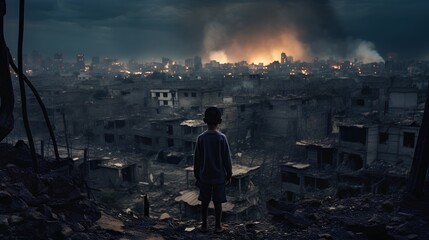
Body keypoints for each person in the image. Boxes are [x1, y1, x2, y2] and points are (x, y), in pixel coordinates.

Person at [193, 106, 232, 233]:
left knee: (204, 201)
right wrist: (229, 173)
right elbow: (227, 158)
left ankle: (204, 225)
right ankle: (218, 226)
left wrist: (197, 175)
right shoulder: (221, 138)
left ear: (204, 120)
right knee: (217, 202)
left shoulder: (201, 138)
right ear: (219, 121)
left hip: (204, 176)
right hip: (219, 177)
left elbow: (197, 159)